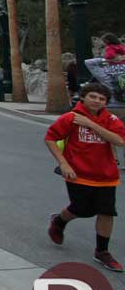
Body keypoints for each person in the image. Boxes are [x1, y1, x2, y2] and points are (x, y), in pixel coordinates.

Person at [46, 82, 125, 272]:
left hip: (106, 175)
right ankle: (59, 221)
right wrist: (63, 163)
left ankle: (102, 251)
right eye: (93, 96)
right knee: (82, 209)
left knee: (107, 211)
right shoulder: (70, 118)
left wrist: (91, 124)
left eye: (101, 99)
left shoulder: (111, 119)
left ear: (106, 102)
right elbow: (50, 138)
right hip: (78, 173)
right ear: (83, 97)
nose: (97, 101)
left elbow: (120, 141)